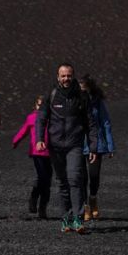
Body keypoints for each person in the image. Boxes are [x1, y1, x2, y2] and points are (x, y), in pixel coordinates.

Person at [35, 63, 99, 234]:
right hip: (55, 146)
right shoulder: (51, 95)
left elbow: (91, 123)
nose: (66, 79)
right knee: (62, 182)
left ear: (73, 76)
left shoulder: (82, 96)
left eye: (69, 75)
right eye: (63, 76)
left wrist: (93, 147)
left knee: (75, 179)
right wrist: (39, 139)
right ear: (58, 77)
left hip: (74, 145)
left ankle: (78, 218)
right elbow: (41, 119)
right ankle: (66, 218)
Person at [79, 75, 115, 222]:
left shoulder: (97, 102)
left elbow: (105, 122)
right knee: (81, 177)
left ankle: (93, 197)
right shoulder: (74, 102)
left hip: (96, 143)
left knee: (94, 175)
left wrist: (110, 146)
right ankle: (85, 206)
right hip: (78, 143)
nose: (82, 93)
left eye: (84, 90)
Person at [12, 95, 52, 220]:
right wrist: (15, 141)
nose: (41, 108)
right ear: (35, 106)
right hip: (37, 152)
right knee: (41, 178)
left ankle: (43, 208)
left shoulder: (52, 118)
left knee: (47, 181)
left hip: (51, 153)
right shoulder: (32, 117)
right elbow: (23, 130)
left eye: (44, 105)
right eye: (39, 105)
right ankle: (34, 198)